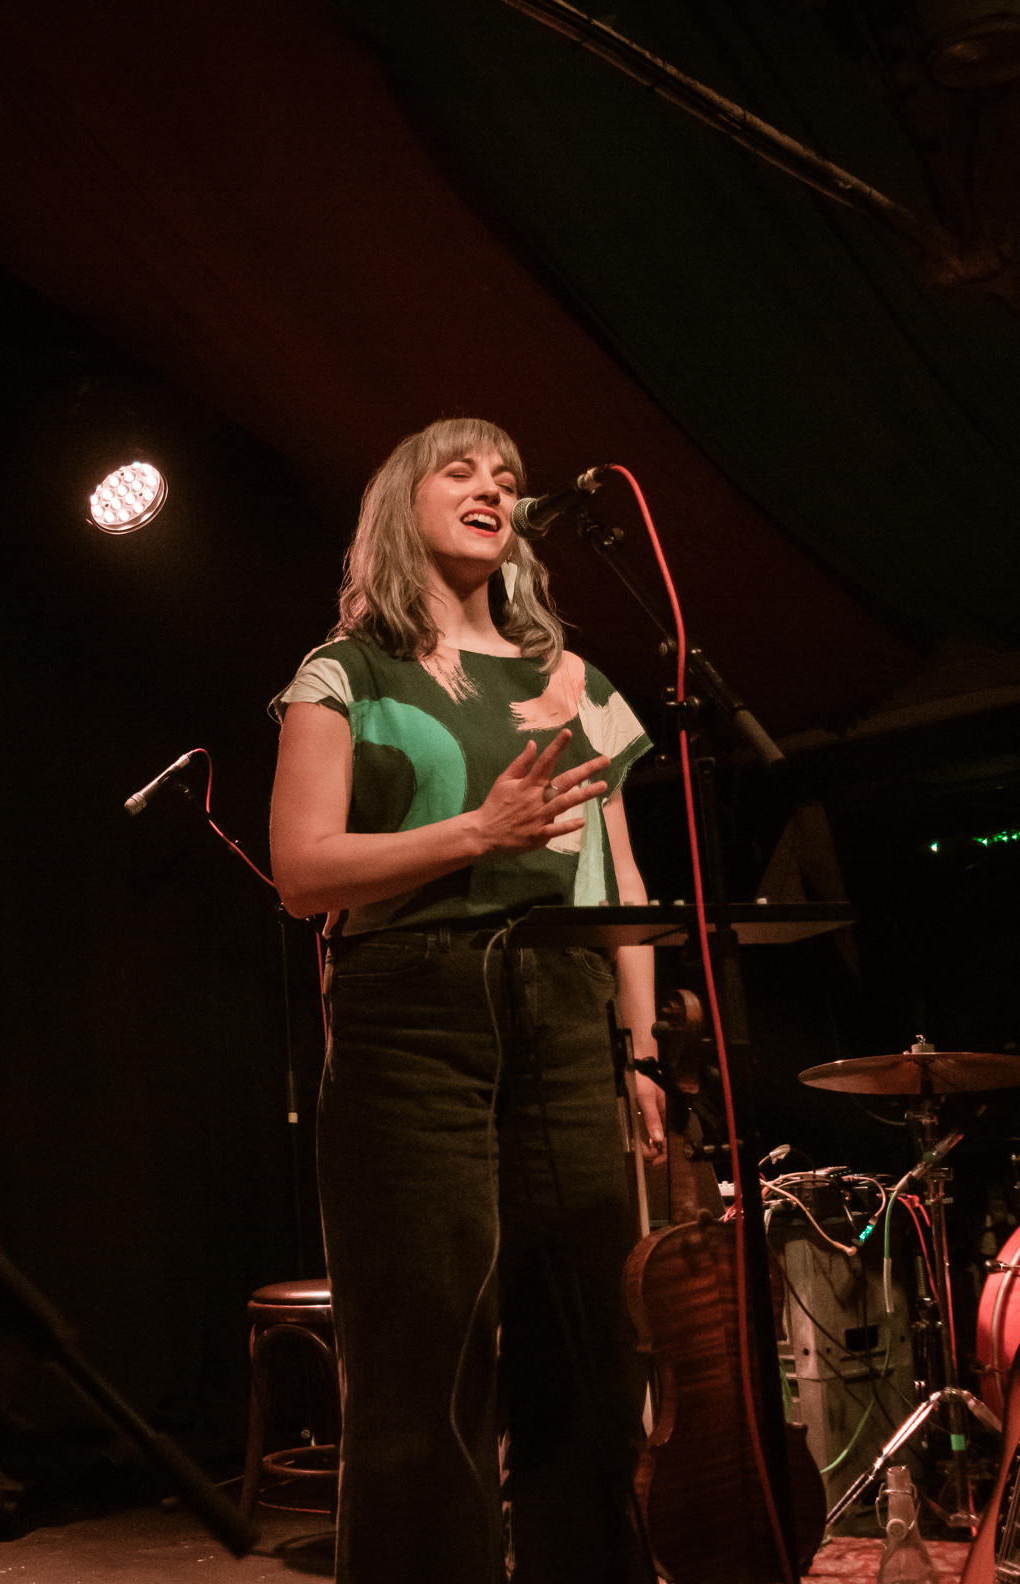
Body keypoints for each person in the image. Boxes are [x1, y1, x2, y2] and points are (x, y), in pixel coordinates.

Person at [268, 419, 667, 1584]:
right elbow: (301, 871)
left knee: (591, 1342)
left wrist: (639, 1051)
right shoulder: (345, 672)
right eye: (463, 469)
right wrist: (475, 835)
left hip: (567, 1004)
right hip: (412, 1016)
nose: (494, 486)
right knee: (424, 1358)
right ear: (403, 502)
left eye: (508, 477)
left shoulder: (579, 683)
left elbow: (622, 877)